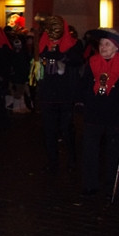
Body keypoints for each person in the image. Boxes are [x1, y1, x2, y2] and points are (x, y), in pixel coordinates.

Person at [79, 28, 119, 196]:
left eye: (107, 44)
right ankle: (90, 183)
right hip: (93, 113)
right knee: (90, 150)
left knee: (113, 150)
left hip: (115, 114)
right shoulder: (92, 62)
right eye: (101, 44)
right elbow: (84, 86)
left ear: (116, 47)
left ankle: (111, 181)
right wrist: (81, 102)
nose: (103, 47)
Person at [37, 15, 84, 172]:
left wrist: (62, 57)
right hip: (48, 95)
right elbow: (38, 68)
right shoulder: (44, 44)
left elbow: (77, 60)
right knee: (49, 131)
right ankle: (52, 162)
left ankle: (72, 160)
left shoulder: (74, 44)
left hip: (65, 95)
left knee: (67, 129)